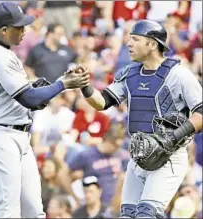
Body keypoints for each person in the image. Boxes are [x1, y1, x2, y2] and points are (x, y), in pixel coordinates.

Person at [0, 2, 90, 218]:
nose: (25, 30)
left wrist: (26, 90)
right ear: (4, 30)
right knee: (8, 211)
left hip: (16, 135)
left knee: (34, 211)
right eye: (19, 27)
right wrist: (61, 84)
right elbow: (29, 99)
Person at [76, 20, 203, 218]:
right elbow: (102, 102)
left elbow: (201, 112)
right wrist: (85, 86)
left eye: (135, 39)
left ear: (153, 44)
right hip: (139, 156)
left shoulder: (179, 75)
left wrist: (173, 136)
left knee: (147, 213)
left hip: (169, 156)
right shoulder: (129, 74)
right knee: (128, 215)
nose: (129, 44)